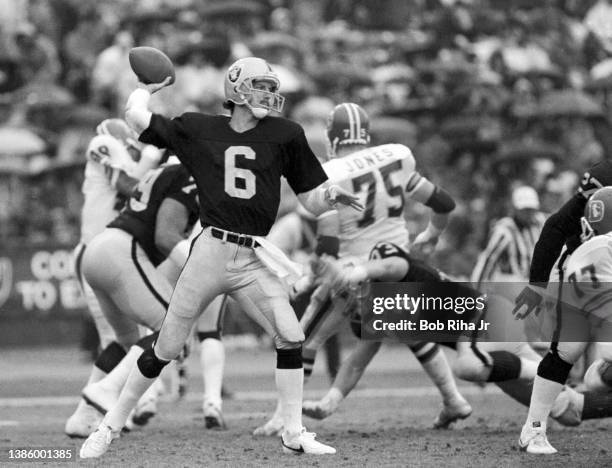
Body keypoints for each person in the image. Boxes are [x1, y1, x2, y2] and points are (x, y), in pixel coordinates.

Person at [80, 57, 362, 458]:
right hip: (211, 249)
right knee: (166, 346)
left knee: (291, 334)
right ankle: (108, 427)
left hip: (253, 254)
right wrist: (147, 87)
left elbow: (311, 199)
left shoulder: (285, 134)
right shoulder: (199, 128)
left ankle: (293, 432)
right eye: (261, 86)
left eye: (270, 87)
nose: (269, 94)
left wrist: (330, 195)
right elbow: (137, 119)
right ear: (237, 90)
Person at [254, 102, 469, 436]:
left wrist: (313, 275)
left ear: (332, 137)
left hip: (356, 271)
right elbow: (443, 204)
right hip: (400, 264)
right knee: (416, 333)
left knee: (302, 338)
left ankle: (285, 416)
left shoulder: (330, 174)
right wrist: (431, 235)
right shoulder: (395, 156)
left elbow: (328, 243)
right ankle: (454, 397)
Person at [65, 118, 162, 438]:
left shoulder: (127, 155)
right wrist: (150, 159)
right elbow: (126, 185)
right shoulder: (104, 144)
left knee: (124, 340)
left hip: (112, 253)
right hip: (95, 251)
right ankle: (111, 409)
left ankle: (87, 415)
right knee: (119, 338)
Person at [517, 187, 612, 455]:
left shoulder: (586, 246)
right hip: (592, 285)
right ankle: (601, 376)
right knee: (588, 354)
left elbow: (555, 227)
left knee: (565, 352)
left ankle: (534, 428)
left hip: (575, 279)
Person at [471, 185, 546, 289]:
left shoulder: (540, 224)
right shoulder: (505, 230)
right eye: (525, 209)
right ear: (515, 209)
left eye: (531, 209)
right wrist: (476, 292)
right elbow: (488, 260)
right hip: (512, 286)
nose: (528, 213)